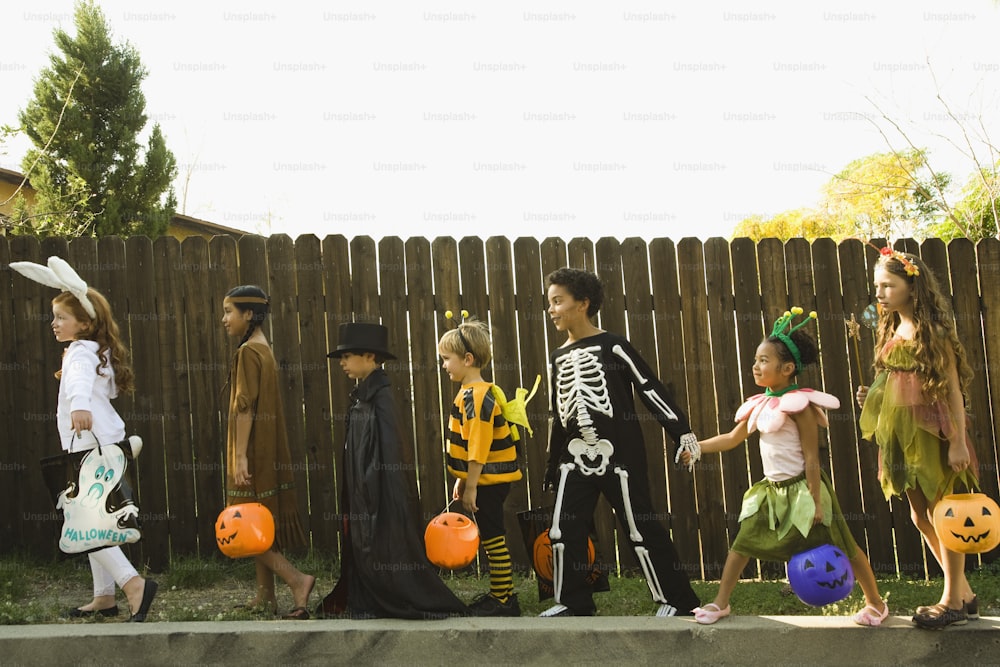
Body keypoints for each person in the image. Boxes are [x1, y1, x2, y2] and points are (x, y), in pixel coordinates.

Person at [681, 308, 889, 626]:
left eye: (764, 360)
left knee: (843, 544)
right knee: (743, 543)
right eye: (756, 359)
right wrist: (697, 448)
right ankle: (720, 603)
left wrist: (817, 501)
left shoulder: (800, 407)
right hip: (771, 491)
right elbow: (732, 438)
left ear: (788, 368)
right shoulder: (761, 403)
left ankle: (875, 603)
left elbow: (812, 458)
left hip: (805, 489)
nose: (756, 365)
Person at [541, 267, 701, 617]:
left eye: (558, 301)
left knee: (640, 524)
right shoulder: (556, 358)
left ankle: (679, 600)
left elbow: (649, 387)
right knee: (563, 528)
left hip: (620, 456)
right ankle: (574, 602)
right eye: (549, 302)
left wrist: (682, 433)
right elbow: (558, 416)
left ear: (582, 303)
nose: (551, 309)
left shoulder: (612, 345)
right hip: (574, 456)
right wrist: (552, 465)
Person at [11, 256, 157, 621]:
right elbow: (99, 387)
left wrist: (78, 405)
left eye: (61, 317)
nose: (54, 323)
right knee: (96, 521)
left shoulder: (80, 351)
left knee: (85, 523)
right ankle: (104, 597)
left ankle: (132, 584)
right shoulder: (97, 351)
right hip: (103, 442)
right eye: (54, 316)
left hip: (88, 444)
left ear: (85, 323)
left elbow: (79, 384)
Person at [856, 249, 979, 629]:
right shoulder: (892, 328)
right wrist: (872, 394)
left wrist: (957, 440)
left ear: (912, 287)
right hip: (899, 436)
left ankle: (951, 600)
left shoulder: (933, 333)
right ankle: (966, 594)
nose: (880, 293)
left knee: (946, 514)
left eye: (888, 286)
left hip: (932, 434)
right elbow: (897, 382)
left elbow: (953, 391)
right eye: (877, 286)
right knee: (918, 515)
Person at [316, 322, 469, 619]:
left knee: (380, 543)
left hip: (378, 494)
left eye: (348, 356)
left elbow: (390, 451)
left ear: (370, 357)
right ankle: (366, 597)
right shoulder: (364, 395)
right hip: (364, 492)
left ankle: (384, 597)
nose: (343, 363)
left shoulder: (381, 397)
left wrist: (376, 493)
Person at [222, 285, 315, 620]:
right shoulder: (264, 348)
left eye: (229, 311)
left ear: (249, 314)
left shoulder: (249, 351)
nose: (224, 319)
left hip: (253, 449)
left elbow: (244, 406)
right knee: (258, 520)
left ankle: (297, 579)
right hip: (267, 446)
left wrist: (241, 456)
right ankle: (265, 596)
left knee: (243, 525)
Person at [439, 319, 523, 616]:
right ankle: (501, 595)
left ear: (468, 359)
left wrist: (472, 484)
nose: (445, 365)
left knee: (493, 537)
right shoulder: (469, 392)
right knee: (491, 535)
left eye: (447, 359)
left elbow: (478, 445)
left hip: (488, 481)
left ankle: (504, 601)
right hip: (481, 479)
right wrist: (464, 480)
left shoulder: (475, 395)